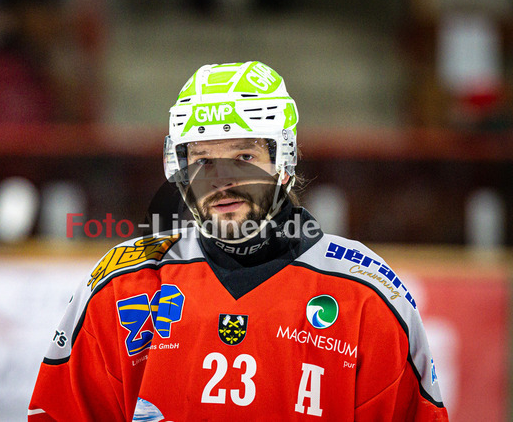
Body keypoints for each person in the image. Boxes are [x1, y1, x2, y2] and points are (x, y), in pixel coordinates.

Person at [28, 61, 449, 421]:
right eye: (203, 160)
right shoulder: (121, 287)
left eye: (244, 157)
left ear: (284, 162)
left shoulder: (367, 296)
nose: (222, 181)